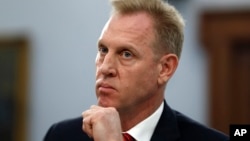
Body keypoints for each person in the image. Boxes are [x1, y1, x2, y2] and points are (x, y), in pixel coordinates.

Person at [44, 0, 229, 141]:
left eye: (126, 54)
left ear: (165, 68)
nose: (106, 68)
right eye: (103, 50)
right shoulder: (61, 135)